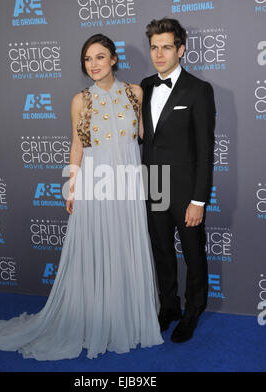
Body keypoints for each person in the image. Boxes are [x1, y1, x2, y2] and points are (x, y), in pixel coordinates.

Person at [0, 34, 163, 360]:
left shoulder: (135, 92)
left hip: (127, 184)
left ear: (114, 59)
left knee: (125, 246)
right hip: (94, 185)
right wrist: (71, 184)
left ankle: (126, 318)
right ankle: (95, 319)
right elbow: (76, 146)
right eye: (88, 59)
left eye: (100, 57)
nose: (94, 64)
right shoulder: (80, 100)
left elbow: (144, 135)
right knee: (96, 249)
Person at [140, 18, 216, 343]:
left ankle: (192, 311)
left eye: (166, 47)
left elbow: (205, 149)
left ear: (180, 49)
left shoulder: (198, 90)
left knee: (193, 253)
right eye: (154, 47)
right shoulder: (142, 87)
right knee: (161, 251)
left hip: (186, 191)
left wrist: (199, 199)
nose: (159, 54)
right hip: (153, 183)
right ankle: (168, 306)